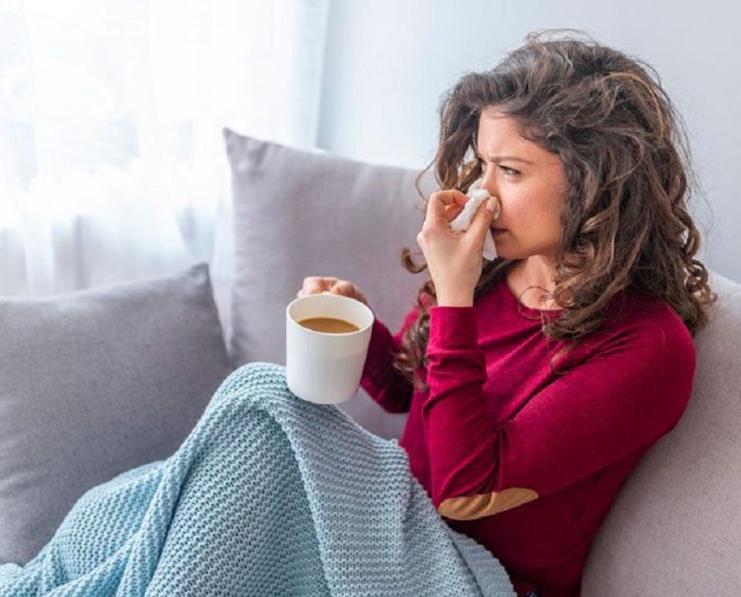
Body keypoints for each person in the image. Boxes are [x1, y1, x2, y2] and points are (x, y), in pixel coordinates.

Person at [297, 28, 718, 597]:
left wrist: (452, 297)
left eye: (511, 171)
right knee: (258, 405)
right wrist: (356, 325)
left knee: (254, 405)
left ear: (595, 183)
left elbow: (465, 490)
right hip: (392, 528)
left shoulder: (649, 347)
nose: (482, 195)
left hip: (472, 576)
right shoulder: (492, 269)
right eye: (483, 165)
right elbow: (407, 394)